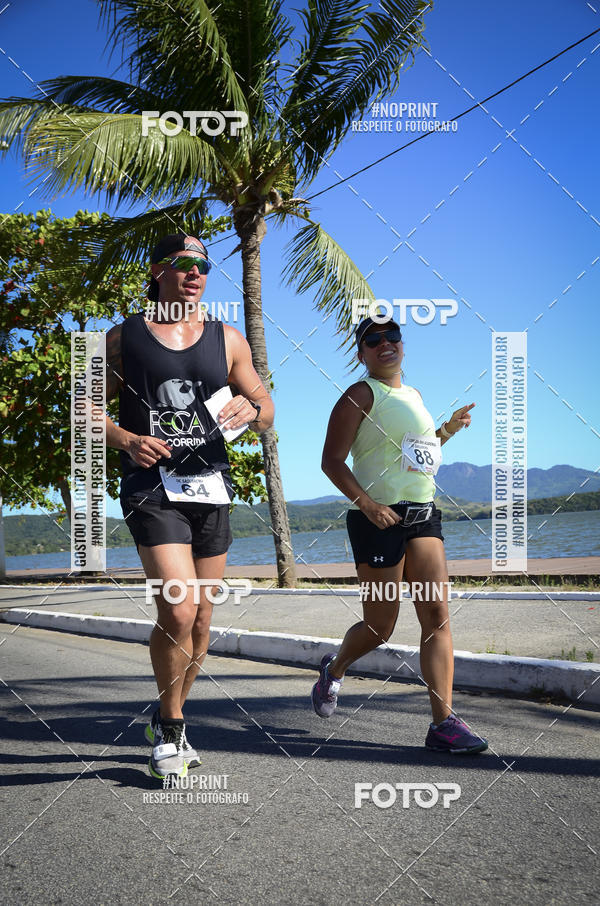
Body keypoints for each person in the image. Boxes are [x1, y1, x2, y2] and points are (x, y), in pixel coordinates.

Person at [104, 234, 274, 780]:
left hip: (209, 485)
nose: (196, 272)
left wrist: (252, 407)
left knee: (202, 617)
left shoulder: (227, 340)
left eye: (203, 264)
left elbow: (266, 405)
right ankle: (173, 730)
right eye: (183, 263)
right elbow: (82, 409)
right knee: (177, 609)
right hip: (151, 485)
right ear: (157, 271)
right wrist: (127, 439)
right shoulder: (123, 337)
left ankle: (166, 713)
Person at [313, 315, 487, 754]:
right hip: (377, 519)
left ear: (402, 344)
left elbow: (418, 457)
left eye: (392, 336)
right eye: (373, 340)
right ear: (362, 353)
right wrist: (368, 506)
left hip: (424, 516)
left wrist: (446, 430)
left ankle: (443, 723)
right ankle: (334, 669)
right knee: (380, 625)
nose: (385, 344)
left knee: (436, 616)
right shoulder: (359, 395)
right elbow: (332, 461)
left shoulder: (415, 395)